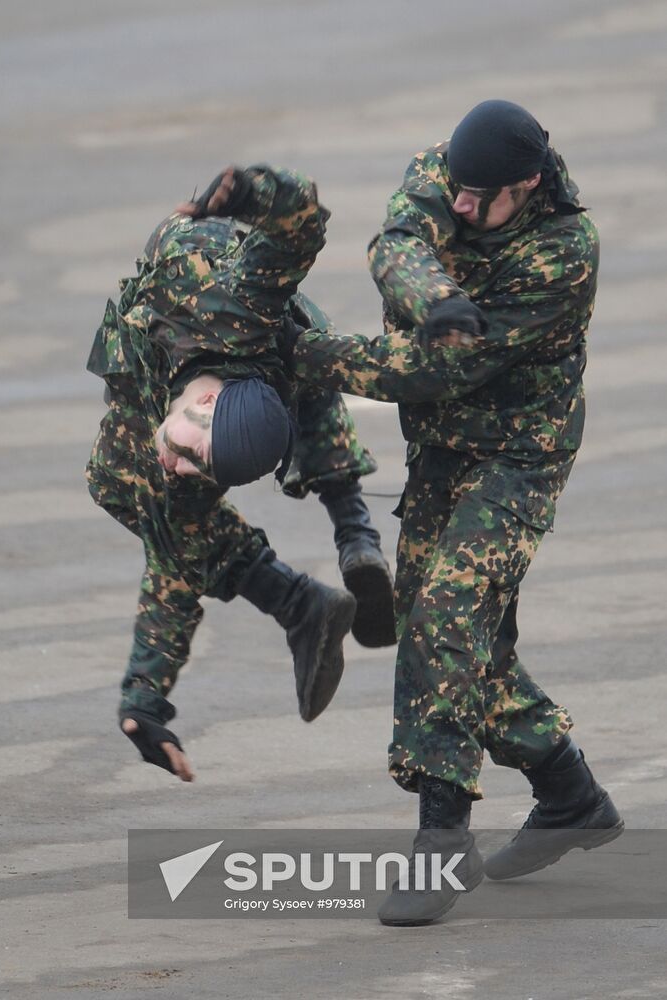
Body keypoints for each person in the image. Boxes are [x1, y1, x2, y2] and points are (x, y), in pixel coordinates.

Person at [279, 100, 623, 925]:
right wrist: (436, 293)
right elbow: (395, 245)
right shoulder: (451, 168)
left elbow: (437, 372)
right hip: (440, 453)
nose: (462, 207)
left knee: (441, 617)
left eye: (481, 199)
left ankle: (441, 844)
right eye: (459, 193)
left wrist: (307, 356)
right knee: (462, 646)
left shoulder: (564, 253)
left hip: (518, 456)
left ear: (528, 186)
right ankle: (569, 793)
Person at [86, 163, 395, 783]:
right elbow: (299, 225)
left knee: (309, 367)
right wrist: (251, 192)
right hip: (225, 333)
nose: (179, 466)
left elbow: (176, 560)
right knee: (122, 483)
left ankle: (339, 558)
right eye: (192, 455)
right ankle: (307, 594)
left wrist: (143, 700)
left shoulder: (205, 443)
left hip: (294, 360)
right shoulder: (218, 293)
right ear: (203, 405)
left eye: (201, 469)